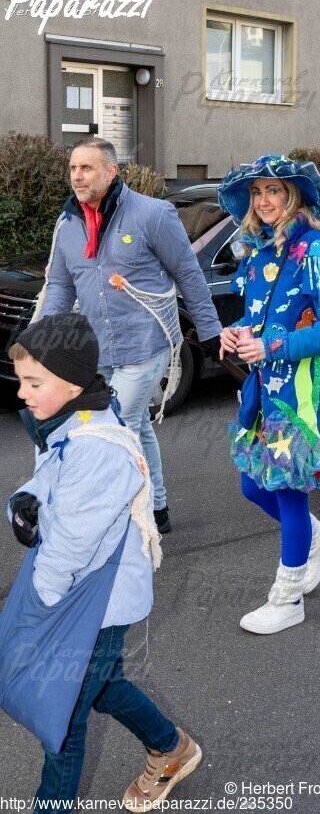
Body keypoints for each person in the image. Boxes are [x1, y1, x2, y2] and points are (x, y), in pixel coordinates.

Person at [4, 314, 202, 811]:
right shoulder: (72, 418)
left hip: (93, 603)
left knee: (63, 718)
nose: (22, 392)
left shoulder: (96, 448)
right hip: (84, 595)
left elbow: (71, 544)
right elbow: (52, 476)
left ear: (71, 383)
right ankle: (172, 748)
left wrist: (41, 608)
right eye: (21, 380)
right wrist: (26, 499)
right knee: (101, 684)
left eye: (33, 382)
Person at [35, 138, 222, 534]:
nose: (77, 176)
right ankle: (157, 505)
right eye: (73, 168)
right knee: (135, 425)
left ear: (111, 171)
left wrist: (209, 329)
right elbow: (61, 286)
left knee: (116, 426)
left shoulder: (153, 214)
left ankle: (122, 514)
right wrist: (44, 340)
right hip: (97, 346)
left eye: (87, 168)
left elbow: (188, 272)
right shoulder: (68, 224)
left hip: (145, 343)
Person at [218, 155, 320, 635]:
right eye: (257, 191)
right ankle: (317, 539)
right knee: (253, 486)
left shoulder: (319, 249)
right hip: (266, 389)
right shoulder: (259, 250)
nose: (264, 200)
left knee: (287, 490)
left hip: (305, 393)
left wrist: (272, 346)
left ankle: (287, 599)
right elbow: (261, 317)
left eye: (274, 190)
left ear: (294, 195)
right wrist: (235, 330)